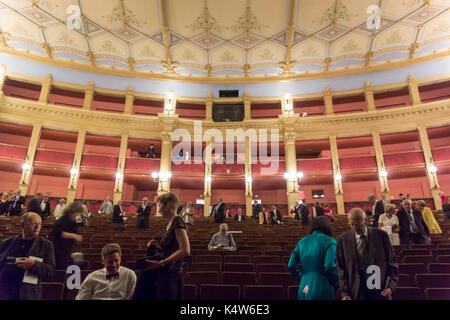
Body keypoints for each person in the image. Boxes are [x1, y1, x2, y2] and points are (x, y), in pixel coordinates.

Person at [336, 208, 398, 300]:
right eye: (352, 224)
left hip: (378, 288)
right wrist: (345, 293)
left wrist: (390, 287)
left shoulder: (381, 236)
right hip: (356, 289)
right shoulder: (343, 240)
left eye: (358, 224)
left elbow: (392, 263)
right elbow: (341, 268)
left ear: (365, 221)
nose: (355, 228)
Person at [143, 192, 190, 300]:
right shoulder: (171, 223)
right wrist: (157, 244)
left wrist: (161, 263)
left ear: (168, 204)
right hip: (167, 271)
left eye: (159, 206)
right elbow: (172, 247)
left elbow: (185, 250)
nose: (158, 210)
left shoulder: (177, 220)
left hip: (171, 273)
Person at [0, 212, 55, 300]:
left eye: (40, 224)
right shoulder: (8, 242)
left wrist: (33, 265)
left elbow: (51, 270)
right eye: (34, 223)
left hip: (27, 293)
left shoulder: (46, 245)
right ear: (22, 225)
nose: (38, 227)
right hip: (5, 290)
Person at [288, 216, 339, 300]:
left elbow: (291, 265)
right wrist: (337, 283)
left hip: (304, 285)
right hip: (322, 285)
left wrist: (301, 278)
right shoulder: (330, 241)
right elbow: (329, 266)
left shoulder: (302, 241)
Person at [49, 202, 83, 270]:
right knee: (60, 268)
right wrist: (74, 236)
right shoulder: (64, 219)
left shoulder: (72, 220)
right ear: (74, 212)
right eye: (78, 213)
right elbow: (58, 232)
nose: (79, 215)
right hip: (59, 249)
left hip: (66, 250)